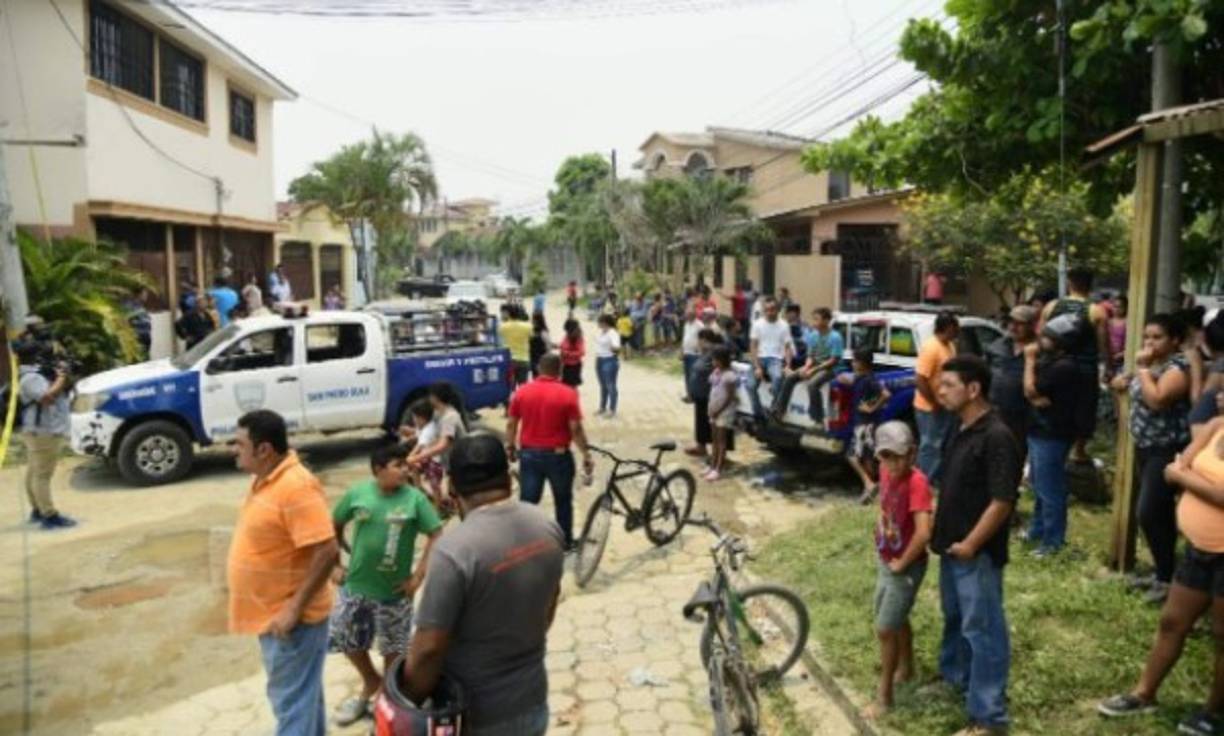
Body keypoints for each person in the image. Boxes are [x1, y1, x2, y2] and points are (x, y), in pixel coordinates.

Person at [399, 435, 563, 735]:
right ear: (509, 479)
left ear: (451, 488)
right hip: (533, 703)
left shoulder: (453, 552)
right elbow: (547, 611)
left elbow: (428, 651)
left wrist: (404, 701)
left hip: (476, 717)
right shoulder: (547, 527)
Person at [1097, 413, 1224, 735]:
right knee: (1171, 622)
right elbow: (1172, 469)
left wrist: (1187, 478)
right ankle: (1144, 693)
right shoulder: (1216, 426)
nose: (1220, 394)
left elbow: (1193, 480)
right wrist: (1189, 478)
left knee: (1222, 636)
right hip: (1199, 549)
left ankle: (1214, 711)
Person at [227, 410, 339, 736]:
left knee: (292, 707)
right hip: (274, 615)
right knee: (303, 700)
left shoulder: (296, 486)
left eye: (239, 443)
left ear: (264, 450)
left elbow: (327, 550)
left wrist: (293, 608)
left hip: (291, 622)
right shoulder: (266, 477)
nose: (233, 449)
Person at [930, 355, 1022, 736]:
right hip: (950, 547)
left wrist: (970, 544)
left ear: (973, 389)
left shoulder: (997, 436)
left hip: (976, 553)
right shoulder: (960, 426)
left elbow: (1002, 502)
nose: (940, 390)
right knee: (956, 620)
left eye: (948, 384)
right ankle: (956, 679)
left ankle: (988, 717)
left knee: (983, 629)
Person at [328, 444, 442, 726]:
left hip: (394, 594)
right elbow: (333, 523)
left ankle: (386, 706)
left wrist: (417, 578)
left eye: (405, 465)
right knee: (344, 636)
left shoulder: (415, 499)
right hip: (355, 587)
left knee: (394, 651)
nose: (405, 469)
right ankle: (370, 682)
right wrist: (334, 564)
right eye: (398, 465)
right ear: (378, 470)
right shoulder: (358, 494)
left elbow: (437, 534)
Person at [1110, 313, 1191, 604]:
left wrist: (1141, 368)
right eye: (1147, 337)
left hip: (1166, 449)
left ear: (1175, 341)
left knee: (1148, 512)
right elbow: (1133, 387)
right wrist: (1126, 379)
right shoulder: (1155, 366)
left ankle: (1168, 578)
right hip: (1145, 447)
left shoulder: (1178, 367)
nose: (1149, 343)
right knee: (1160, 515)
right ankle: (1164, 574)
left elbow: (1158, 400)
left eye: (1157, 337)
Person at [867, 421, 933, 719]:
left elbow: (923, 533)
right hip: (887, 559)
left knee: (885, 627)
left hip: (904, 566)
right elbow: (886, 504)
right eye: (885, 456)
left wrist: (903, 563)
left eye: (898, 456)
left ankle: (885, 697)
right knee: (896, 616)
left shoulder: (918, 482)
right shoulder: (884, 471)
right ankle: (906, 668)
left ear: (912, 454)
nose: (892, 463)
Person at [506, 353, 594, 550]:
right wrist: (586, 454)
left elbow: (511, 424)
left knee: (528, 501)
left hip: (529, 455)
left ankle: (524, 543)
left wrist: (510, 446)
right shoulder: (568, 394)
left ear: (538, 368)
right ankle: (565, 542)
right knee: (562, 501)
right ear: (560, 370)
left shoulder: (522, 392)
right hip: (559, 456)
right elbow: (576, 429)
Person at [1022, 314, 1086, 557]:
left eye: (1047, 337)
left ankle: (1052, 542)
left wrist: (1029, 361)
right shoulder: (1053, 362)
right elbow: (1036, 397)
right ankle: (1037, 530)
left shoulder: (1064, 367)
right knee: (1039, 485)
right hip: (1040, 430)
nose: (1041, 340)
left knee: (1050, 490)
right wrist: (1037, 398)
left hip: (1052, 434)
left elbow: (1030, 389)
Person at [1041, 267, 1110, 459]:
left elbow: (1042, 336)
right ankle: (1078, 450)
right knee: (1084, 410)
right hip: (1085, 370)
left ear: (1069, 283)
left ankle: (1054, 444)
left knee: (1054, 405)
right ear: (1091, 285)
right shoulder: (1096, 311)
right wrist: (1109, 368)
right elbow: (1104, 344)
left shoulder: (1051, 307)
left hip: (1056, 367)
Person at [13, 326, 76, 529]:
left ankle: (37, 510)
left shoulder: (32, 373)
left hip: (37, 430)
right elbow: (47, 397)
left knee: (34, 472)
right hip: (43, 431)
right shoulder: (30, 377)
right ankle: (49, 515)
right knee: (42, 475)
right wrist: (61, 377)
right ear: (33, 356)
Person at [836, 348, 889, 503]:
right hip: (868, 423)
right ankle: (871, 488)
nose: (852, 363)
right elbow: (844, 378)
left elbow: (886, 394)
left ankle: (869, 484)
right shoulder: (864, 377)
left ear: (862, 363)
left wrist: (871, 408)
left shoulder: (869, 380)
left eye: (854, 361)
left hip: (865, 424)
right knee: (867, 458)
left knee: (851, 455)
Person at [772, 307, 842, 423]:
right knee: (790, 377)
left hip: (831, 368)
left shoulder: (835, 337)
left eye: (817, 319)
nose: (814, 323)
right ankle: (779, 411)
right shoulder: (813, 335)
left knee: (812, 385)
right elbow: (810, 356)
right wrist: (806, 367)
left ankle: (817, 419)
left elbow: (833, 360)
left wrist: (813, 371)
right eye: (813, 319)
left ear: (826, 321)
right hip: (815, 365)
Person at [914, 312, 960, 483]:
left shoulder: (950, 346)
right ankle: (924, 482)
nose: (957, 332)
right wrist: (934, 401)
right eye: (955, 328)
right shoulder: (931, 348)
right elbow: (920, 379)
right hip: (929, 407)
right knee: (930, 446)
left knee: (943, 445)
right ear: (948, 328)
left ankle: (938, 479)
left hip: (946, 405)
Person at [987, 305, 1037, 457]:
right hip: (996, 411)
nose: (1014, 327)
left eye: (1019, 323)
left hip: (1023, 416)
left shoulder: (1039, 350)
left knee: (1015, 455)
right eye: (1011, 322)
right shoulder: (997, 346)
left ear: (1031, 325)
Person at [747, 297, 794, 419]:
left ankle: (774, 408)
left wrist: (788, 365)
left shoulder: (784, 325)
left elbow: (787, 347)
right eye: (766, 309)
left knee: (778, 378)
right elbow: (753, 347)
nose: (769, 312)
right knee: (750, 385)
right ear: (763, 310)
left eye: (772, 309)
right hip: (759, 358)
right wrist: (757, 367)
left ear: (778, 310)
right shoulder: (757, 324)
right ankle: (758, 413)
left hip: (775, 359)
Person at [705, 346, 738, 482]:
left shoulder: (730, 376)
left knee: (721, 441)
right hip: (713, 410)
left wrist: (718, 410)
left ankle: (718, 468)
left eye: (715, 359)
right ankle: (712, 466)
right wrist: (712, 410)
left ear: (722, 360)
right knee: (714, 440)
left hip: (723, 412)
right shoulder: (717, 372)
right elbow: (713, 387)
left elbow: (730, 397)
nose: (713, 362)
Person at [499, 305, 533, 392]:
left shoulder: (503, 326)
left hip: (509, 360)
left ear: (509, 314)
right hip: (523, 359)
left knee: (510, 387)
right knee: (523, 386)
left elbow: (499, 340)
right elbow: (531, 337)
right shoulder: (528, 326)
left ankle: (511, 403)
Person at [595, 314, 622, 417]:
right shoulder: (601, 332)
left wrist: (611, 349)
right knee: (602, 385)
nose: (598, 324)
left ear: (605, 323)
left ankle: (612, 409)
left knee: (611, 385)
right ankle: (602, 407)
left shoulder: (612, 333)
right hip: (599, 359)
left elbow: (616, 347)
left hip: (609, 360)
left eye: (600, 322)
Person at [121, 288, 153, 358]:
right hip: (136, 337)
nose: (146, 296)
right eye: (144, 293)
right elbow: (124, 318)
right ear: (138, 294)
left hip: (145, 336)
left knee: (145, 359)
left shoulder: (141, 305)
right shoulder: (128, 304)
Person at [681, 305, 701, 402]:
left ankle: (694, 395)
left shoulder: (699, 325)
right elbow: (684, 338)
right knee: (687, 375)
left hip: (695, 354)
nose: (687, 315)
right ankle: (689, 394)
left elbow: (702, 339)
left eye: (689, 314)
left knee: (694, 376)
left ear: (694, 314)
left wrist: (699, 349)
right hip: (686, 352)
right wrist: (681, 351)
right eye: (686, 314)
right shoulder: (686, 325)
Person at [558, 318, 584, 389]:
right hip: (565, 365)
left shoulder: (578, 338)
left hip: (573, 366)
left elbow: (581, 352)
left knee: (571, 387)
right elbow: (563, 345)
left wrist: (567, 353)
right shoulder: (567, 335)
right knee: (564, 386)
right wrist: (557, 346)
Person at [1108, 295, 1129, 373]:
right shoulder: (1108, 322)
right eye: (1114, 306)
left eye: (1119, 307)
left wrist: (1120, 355)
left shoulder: (1127, 323)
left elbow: (1130, 344)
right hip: (1109, 359)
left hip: (1122, 361)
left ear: (1125, 308)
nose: (1116, 309)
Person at [784, 303, 807, 370]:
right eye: (787, 312)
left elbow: (805, 340)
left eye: (791, 312)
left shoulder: (804, 325)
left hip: (800, 353)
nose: (788, 315)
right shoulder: (783, 325)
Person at [529, 311, 551, 378]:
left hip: (541, 359)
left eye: (533, 319)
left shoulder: (543, 332)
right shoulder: (531, 330)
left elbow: (548, 347)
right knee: (535, 377)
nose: (532, 321)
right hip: (533, 359)